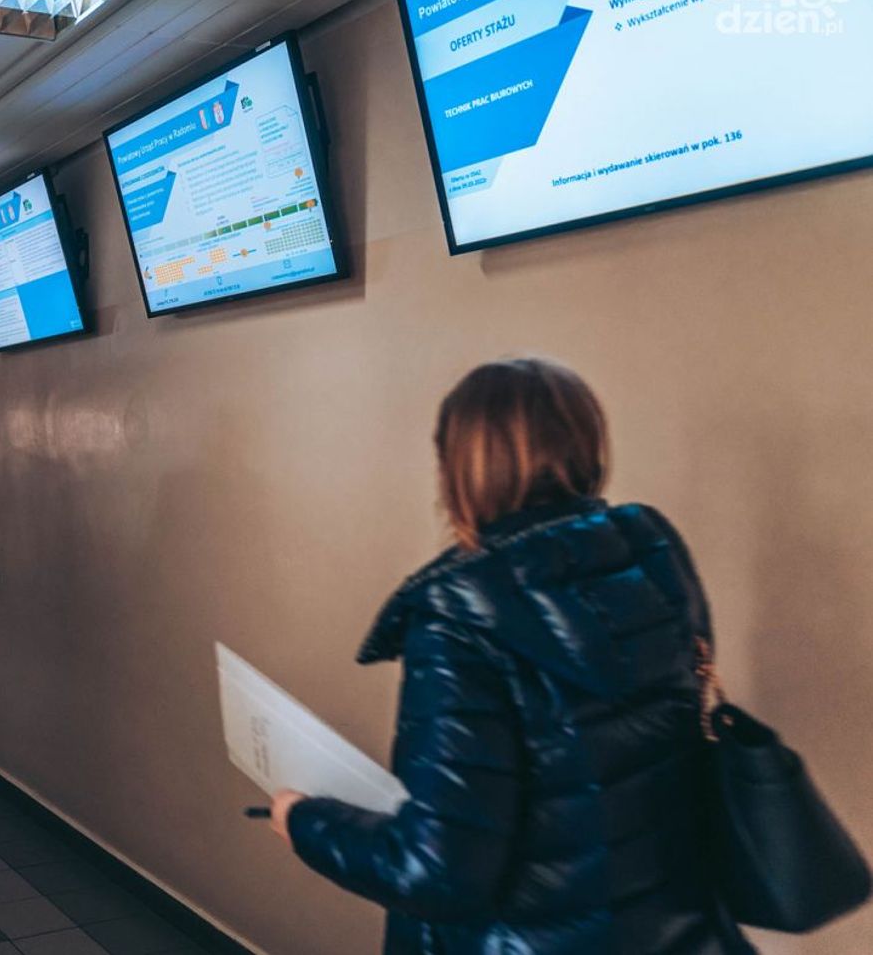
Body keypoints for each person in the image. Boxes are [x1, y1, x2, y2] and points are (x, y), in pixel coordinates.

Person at [268, 358, 752, 954]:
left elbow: (436, 874)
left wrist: (304, 821)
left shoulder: (457, 619)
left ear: (457, 468)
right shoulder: (651, 555)